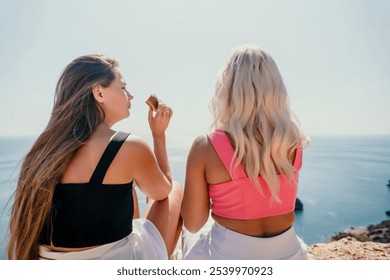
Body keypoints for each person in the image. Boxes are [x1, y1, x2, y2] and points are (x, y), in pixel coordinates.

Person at [7, 54, 182, 260]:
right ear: (99, 92)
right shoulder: (129, 146)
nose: (131, 96)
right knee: (174, 191)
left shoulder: (43, 151)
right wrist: (159, 135)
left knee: (126, 189)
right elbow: (163, 191)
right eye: (123, 87)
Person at [181, 45, 308, 260]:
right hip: (289, 255)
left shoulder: (206, 145)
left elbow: (193, 223)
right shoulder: (294, 140)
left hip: (231, 258)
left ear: (227, 88)